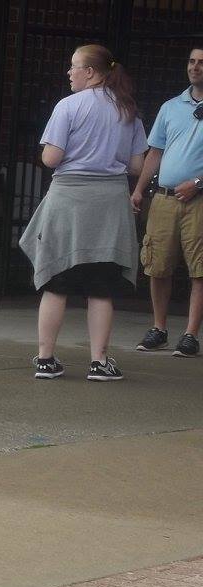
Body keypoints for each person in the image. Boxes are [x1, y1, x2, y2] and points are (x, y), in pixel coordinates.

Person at [19, 44, 146, 382]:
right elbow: (136, 164)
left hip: (69, 198)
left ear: (90, 72)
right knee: (101, 286)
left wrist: (51, 147)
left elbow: (51, 159)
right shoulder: (128, 110)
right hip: (109, 202)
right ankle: (99, 362)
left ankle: (46, 359)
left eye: (74, 66)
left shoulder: (68, 106)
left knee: (56, 281)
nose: (69, 73)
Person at [131, 47, 203, 358]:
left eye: (202, 63)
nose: (195, 68)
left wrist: (199, 183)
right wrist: (138, 188)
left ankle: (191, 333)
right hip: (163, 197)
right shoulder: (171, 107)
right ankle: (159, 328)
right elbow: (155, 152)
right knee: (157, 264)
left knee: (199, 268)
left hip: (199, 199)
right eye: (192, 61)